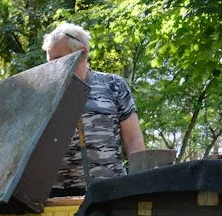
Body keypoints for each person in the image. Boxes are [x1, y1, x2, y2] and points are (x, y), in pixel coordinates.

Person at [42, 22, 145, 194]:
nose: (53, 67)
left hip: (110, 191)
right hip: (56, 195)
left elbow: (133, 139)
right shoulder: (44, 93)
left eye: (59, 59)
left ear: (82, 53)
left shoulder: (114, 85)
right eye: (49, 61)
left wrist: (140, 184)